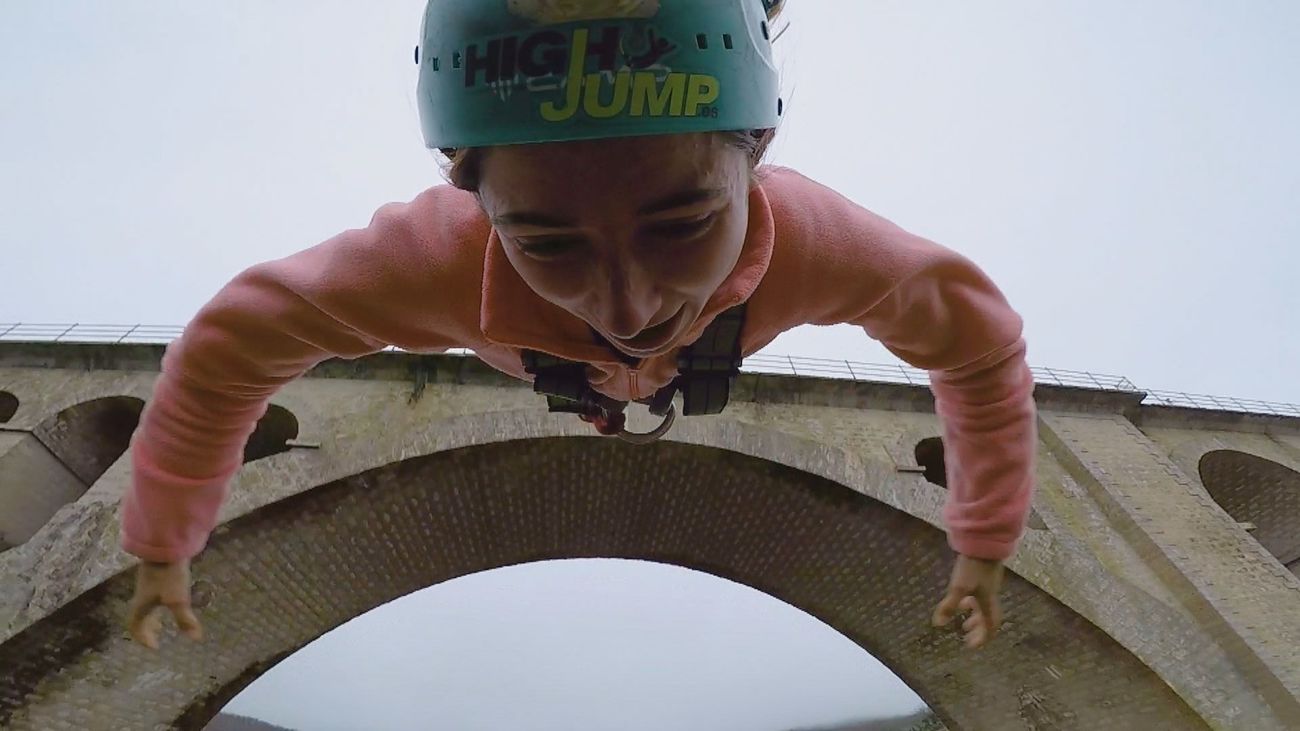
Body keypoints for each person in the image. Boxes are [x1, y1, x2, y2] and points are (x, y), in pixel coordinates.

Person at [124, 0, 1036, 654]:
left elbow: (980, 344)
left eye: (680, 226)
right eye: (546, 242)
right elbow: (229, 349)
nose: (629, 306)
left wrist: (985, 535)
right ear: (471, 198)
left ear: (757, 153)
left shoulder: (817, 243)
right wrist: (164, 538)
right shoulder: (433, 255)